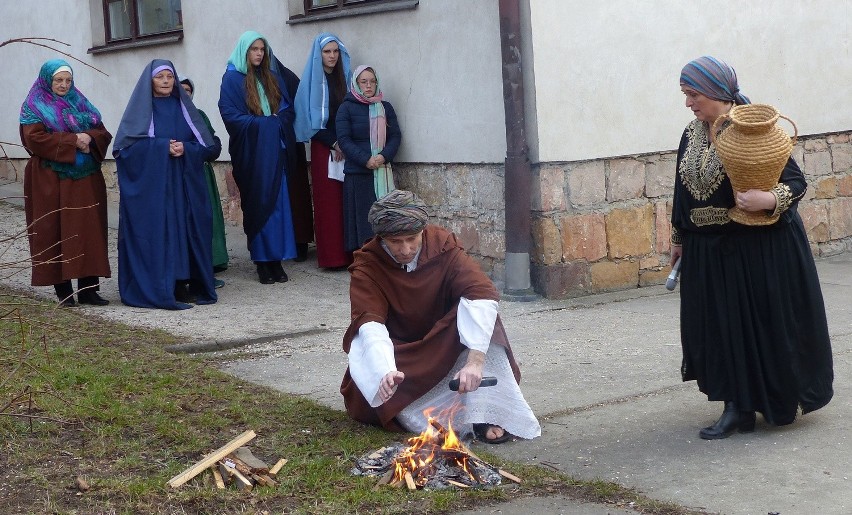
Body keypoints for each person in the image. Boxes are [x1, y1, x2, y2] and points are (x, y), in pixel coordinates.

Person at [672, 56, 834, 439]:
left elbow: (795, 181)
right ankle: (736, 407)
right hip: (708, 249)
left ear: (716, 91)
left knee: (752, 326)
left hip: (756, 249)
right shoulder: (692, 133)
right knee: (718, 327)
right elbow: (681, 191)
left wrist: (768, 199)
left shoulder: (753, 126)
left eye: (693, 94)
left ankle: (758, 402)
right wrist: (679, 238)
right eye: (685, 95)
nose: (689, 103)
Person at [340, 190, 541, 444]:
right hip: (401, 354)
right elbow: (369, 322)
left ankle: (485, 413)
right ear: (382, 239)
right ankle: (441, 419)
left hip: (441, 341)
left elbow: (480, 294)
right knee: (383, 392)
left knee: (487, 322)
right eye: (396, 242)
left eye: (412, 239)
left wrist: (475, 361)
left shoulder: (444, 248)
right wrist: (384, 369)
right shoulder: (368, 266)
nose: (405, 249)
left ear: (423, 231)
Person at [114, 59, 220, 309]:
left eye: (169, 77)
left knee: (185, 231)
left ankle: (185, 282)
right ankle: (163, 284)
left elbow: (210, 147)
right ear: (149, 81)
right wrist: (161, 148)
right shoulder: (141, 110)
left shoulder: (184, 109)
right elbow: (124, 150)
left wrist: (186, 148)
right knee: (163, 232)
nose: (165, 81)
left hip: (184, 185)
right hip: (155, 189)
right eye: (160, 77)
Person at [19, 59, 112, 307]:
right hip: (51, 179)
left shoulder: (80, 102)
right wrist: (73, 141)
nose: (63, 85)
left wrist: (88, 137)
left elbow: (101, 131)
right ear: (47, 80)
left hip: (86, 179)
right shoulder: (34, 106)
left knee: (88, 231)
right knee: (56, 230)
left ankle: (89, 290)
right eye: (58, 80)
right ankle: (64, 292)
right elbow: (34, 139)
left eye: (68, 80)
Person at [219, 31, 302, 283]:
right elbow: (230, 114)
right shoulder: (232, 79)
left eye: (262, 49)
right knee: (260, 204)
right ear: (244, 51)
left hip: (276, 151)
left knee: (280, 205)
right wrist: (265, 124)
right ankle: (262, 262)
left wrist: (276, 122)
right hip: (253, 155)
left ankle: (277, 260)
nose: (258, 53)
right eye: (253, 49)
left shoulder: (271, 77)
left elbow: (287, 109)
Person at [294, 32, 352, 269]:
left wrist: (343, 142)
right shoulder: (309, 83)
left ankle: (349, 254)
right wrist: (333, 143)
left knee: (345, 202)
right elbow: (310, 122)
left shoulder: (344, 79)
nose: (332, 56)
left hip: (345, 147)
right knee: (328, 203)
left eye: (335, 51)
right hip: (323, 148)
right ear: (319, 54)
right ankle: (331, 257)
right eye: (327, 52)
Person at [335, 65, 402, 252]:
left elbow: (395, 136)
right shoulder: (346, 108)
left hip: (382, 171)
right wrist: (366, 159)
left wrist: (383, 156)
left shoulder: (385, 107)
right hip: (358, 174)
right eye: (363, 82)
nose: (368, 85)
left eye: (372, 81)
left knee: (384, 218)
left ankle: (385, 258)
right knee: (362, 222)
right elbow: (344, 140)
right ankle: (364, 262)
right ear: (356, 84)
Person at [179, 76, 228, 288]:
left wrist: (211, 147)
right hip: (182, 174)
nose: (185, 94)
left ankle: (213, 262)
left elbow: (211, 143)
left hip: (202, 172)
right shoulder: (173, 116)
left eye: (189, 90)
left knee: (210, 219)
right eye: (181, 90)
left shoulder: (199, 116)